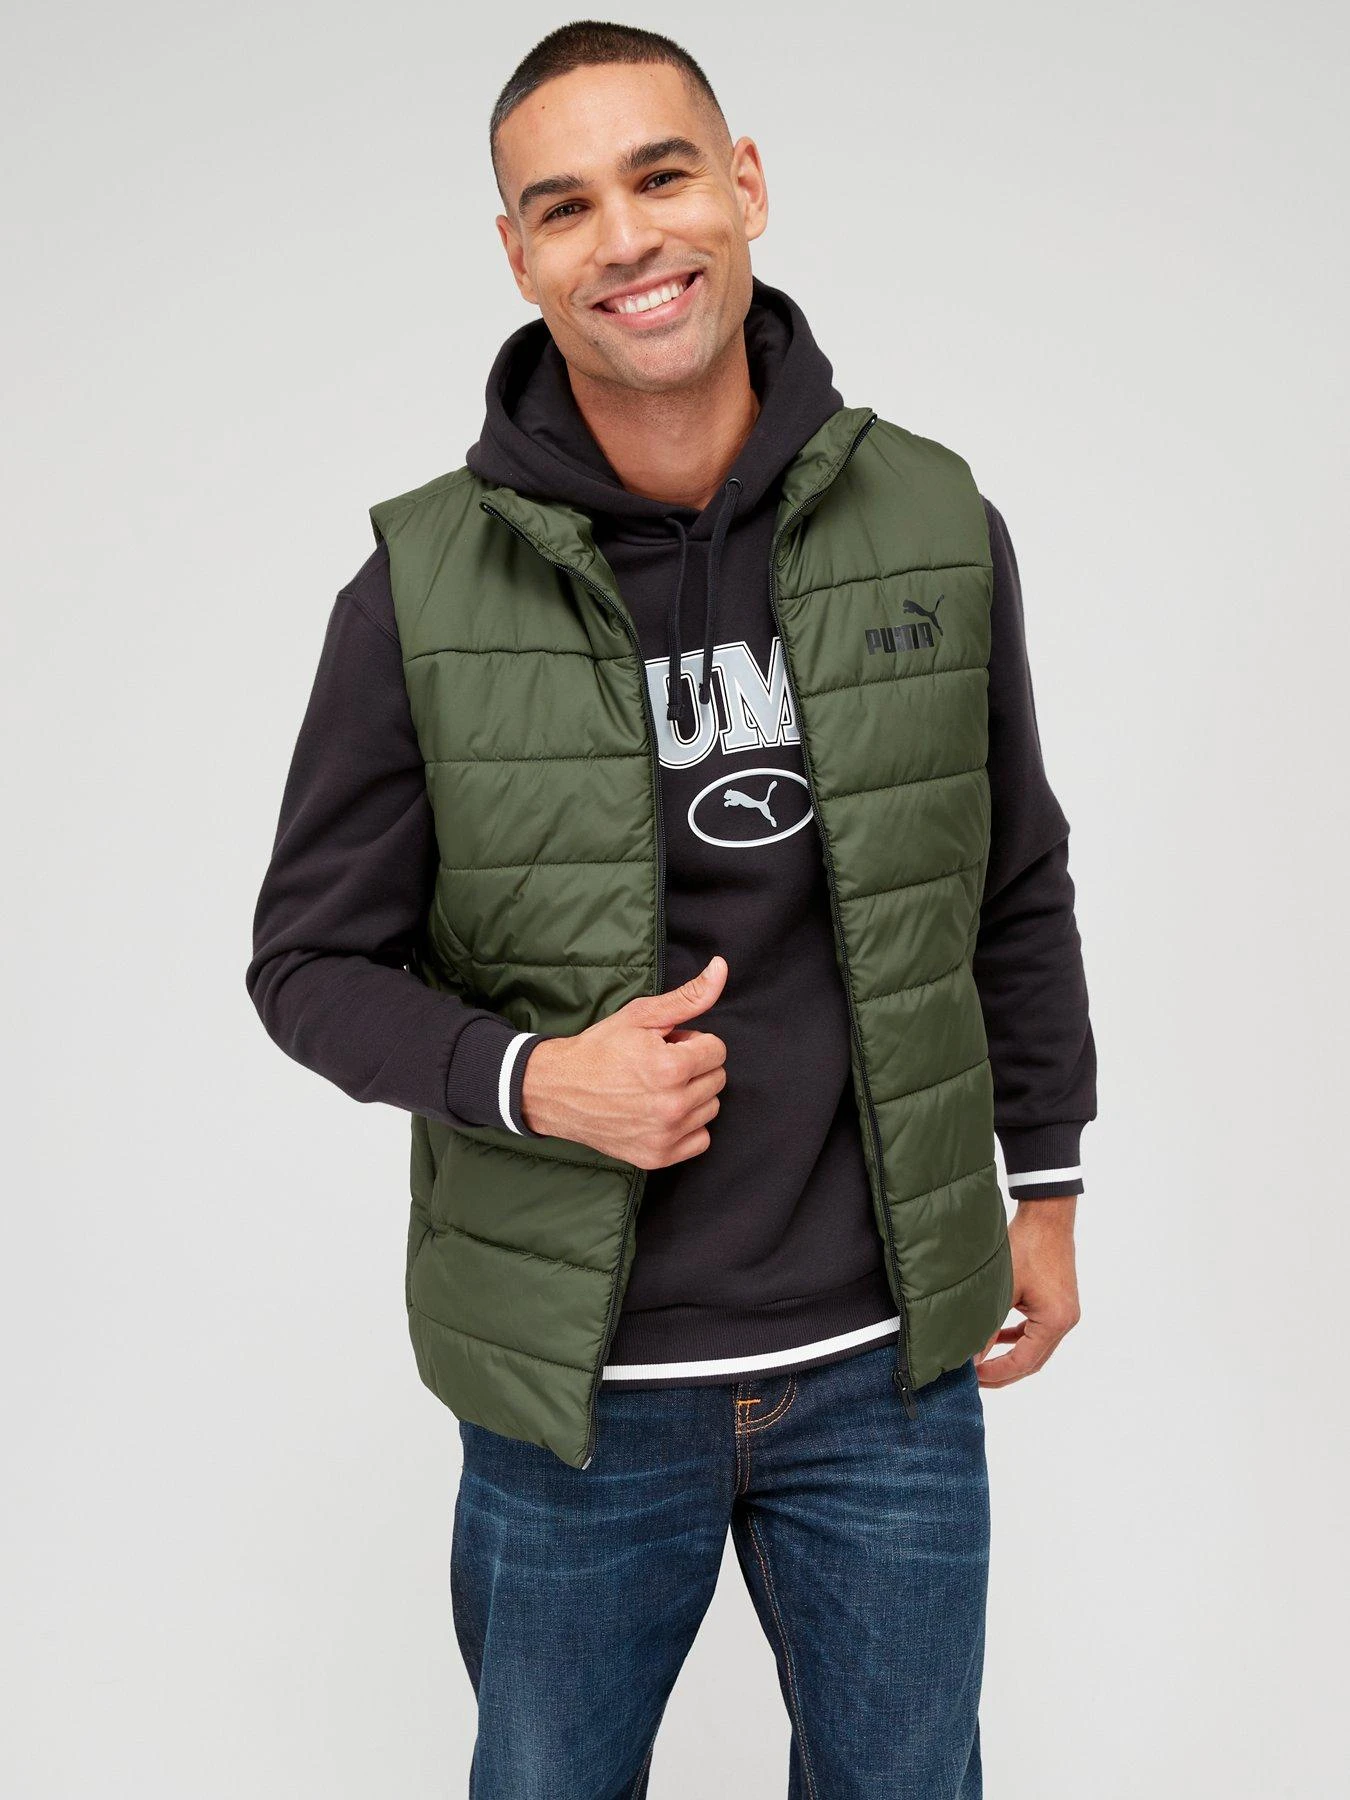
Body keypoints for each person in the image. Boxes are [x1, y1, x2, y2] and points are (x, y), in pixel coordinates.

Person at [246, 20, 1097, 1798]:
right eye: (564, 206)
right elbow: (307, 962)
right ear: (517, 255)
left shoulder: (934, 519)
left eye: (660, 175)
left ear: (744, 186)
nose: (625, 237)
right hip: (579, 1391)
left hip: (887, 1365)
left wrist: (1045, 1181)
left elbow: (1009, 875)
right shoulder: (417, 588)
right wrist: (535, 1081)